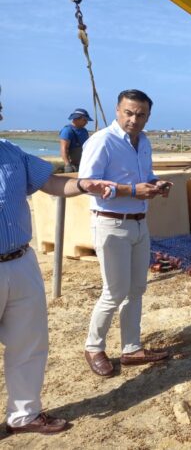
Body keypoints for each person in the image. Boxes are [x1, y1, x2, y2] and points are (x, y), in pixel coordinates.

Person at [1, 86, 115, 434]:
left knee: (29, 341)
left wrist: (86, 185)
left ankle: (24, 415)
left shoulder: (11, 153)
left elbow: (51, 183)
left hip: (20, 261)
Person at [78, 89, 173, 378]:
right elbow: (86, 182)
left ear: (148, 116)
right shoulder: (102, 141)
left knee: (136, 289)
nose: (134, 119)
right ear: (117, 111)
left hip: (139, 223)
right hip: (111, 223)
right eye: (128, 112)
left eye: (140, 114)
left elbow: (145, 176)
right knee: (114, 291)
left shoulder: (143, 142)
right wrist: (131, 191)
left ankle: (131, 348)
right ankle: (94, 347)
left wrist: (156, 184)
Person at [59, 108, 92, 172]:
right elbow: (64, 149)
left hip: (84, 165)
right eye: (84, 120)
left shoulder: (84, 131)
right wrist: (67, 165)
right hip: (73, 166)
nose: (87, 122)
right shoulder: (67, 131)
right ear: (76, 119)